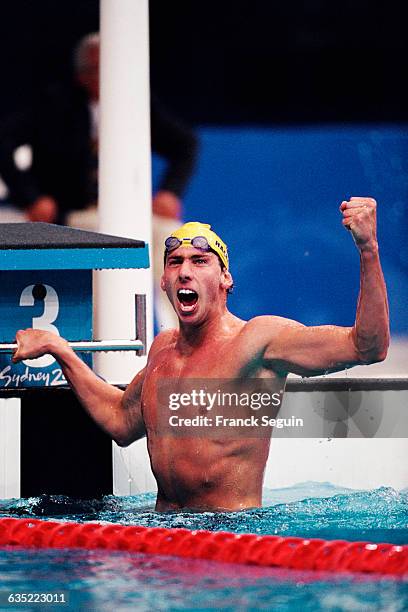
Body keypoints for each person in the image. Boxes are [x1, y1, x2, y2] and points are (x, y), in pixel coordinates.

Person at [12, 197, 389, 511]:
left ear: (226, 278)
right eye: (175, 263)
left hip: (229, 535)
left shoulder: (258, 340)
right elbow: (120, 422)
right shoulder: (163, 349)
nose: (185, 272)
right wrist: (60, 349)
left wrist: (368, 250)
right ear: (163, 281)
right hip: (161, 532)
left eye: (200, 261)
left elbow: (367, 347)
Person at [0, 32, 199, 330]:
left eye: (114, 66)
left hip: (129, 212)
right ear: (82, 76)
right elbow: (4, 142)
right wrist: (32, 197)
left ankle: (179, 336)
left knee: (171, 237)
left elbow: (185, 144)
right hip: (76, 214)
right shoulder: (55, 104)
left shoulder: (137, 104)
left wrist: (170, 192)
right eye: (99, 69)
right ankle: (98, 335)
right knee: (100, 253)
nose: (110, 76)